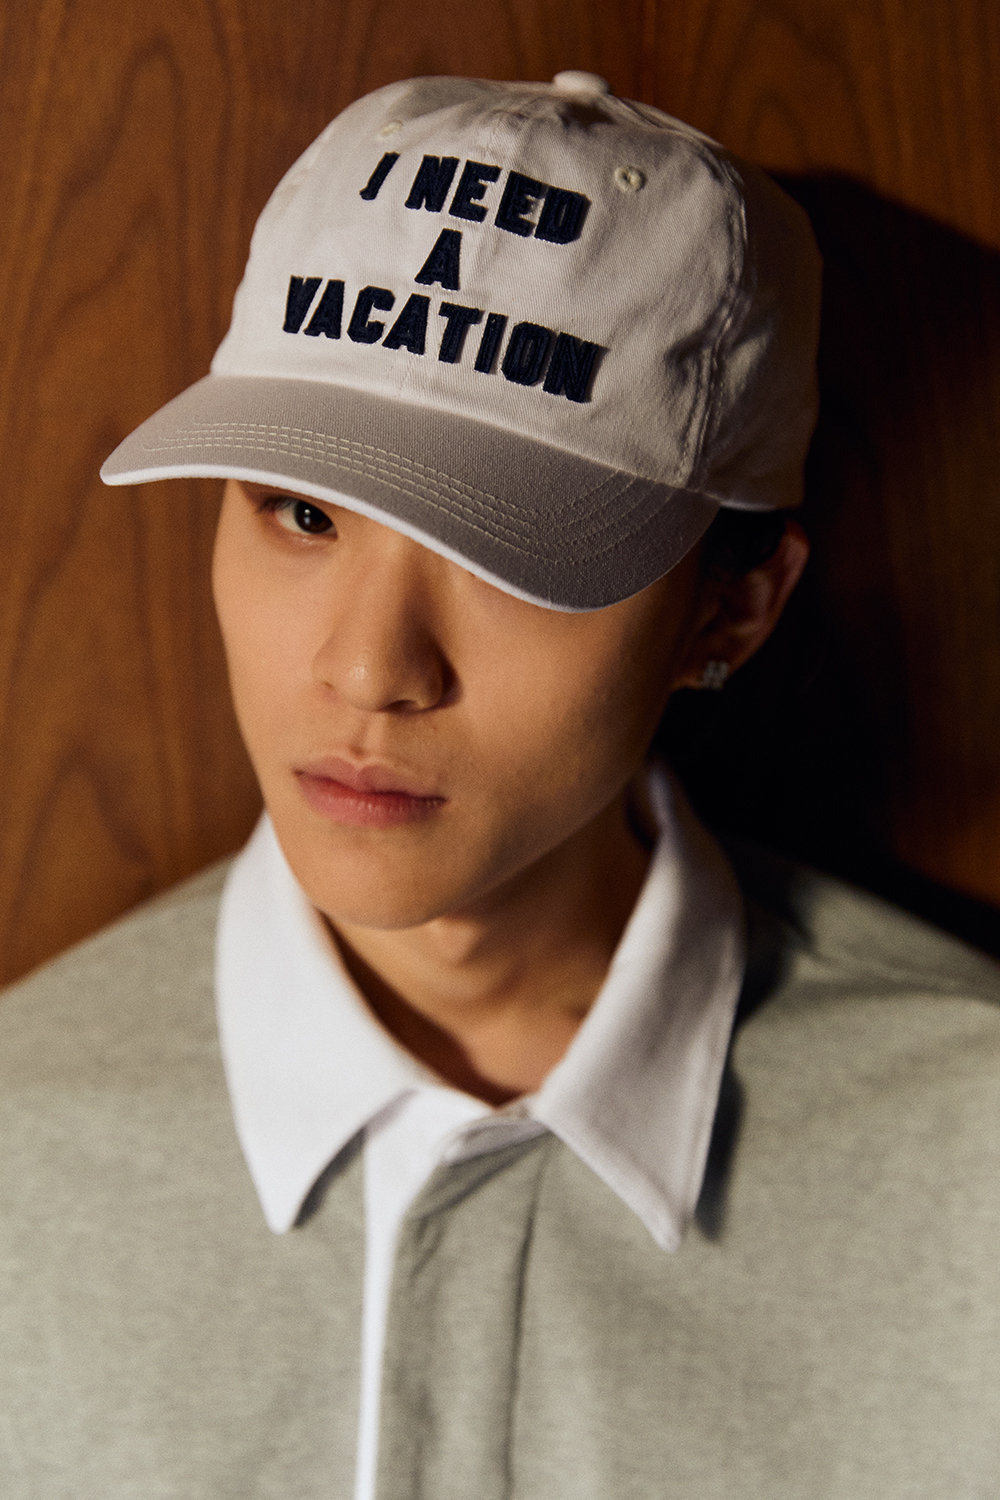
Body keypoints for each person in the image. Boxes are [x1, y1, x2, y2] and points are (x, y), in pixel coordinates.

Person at [2, 70, 1000, 1499]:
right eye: (302, 511)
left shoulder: (972, 1156)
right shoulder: (19, 1137)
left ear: (732, 607)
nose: (369, 669)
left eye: (509, 556)